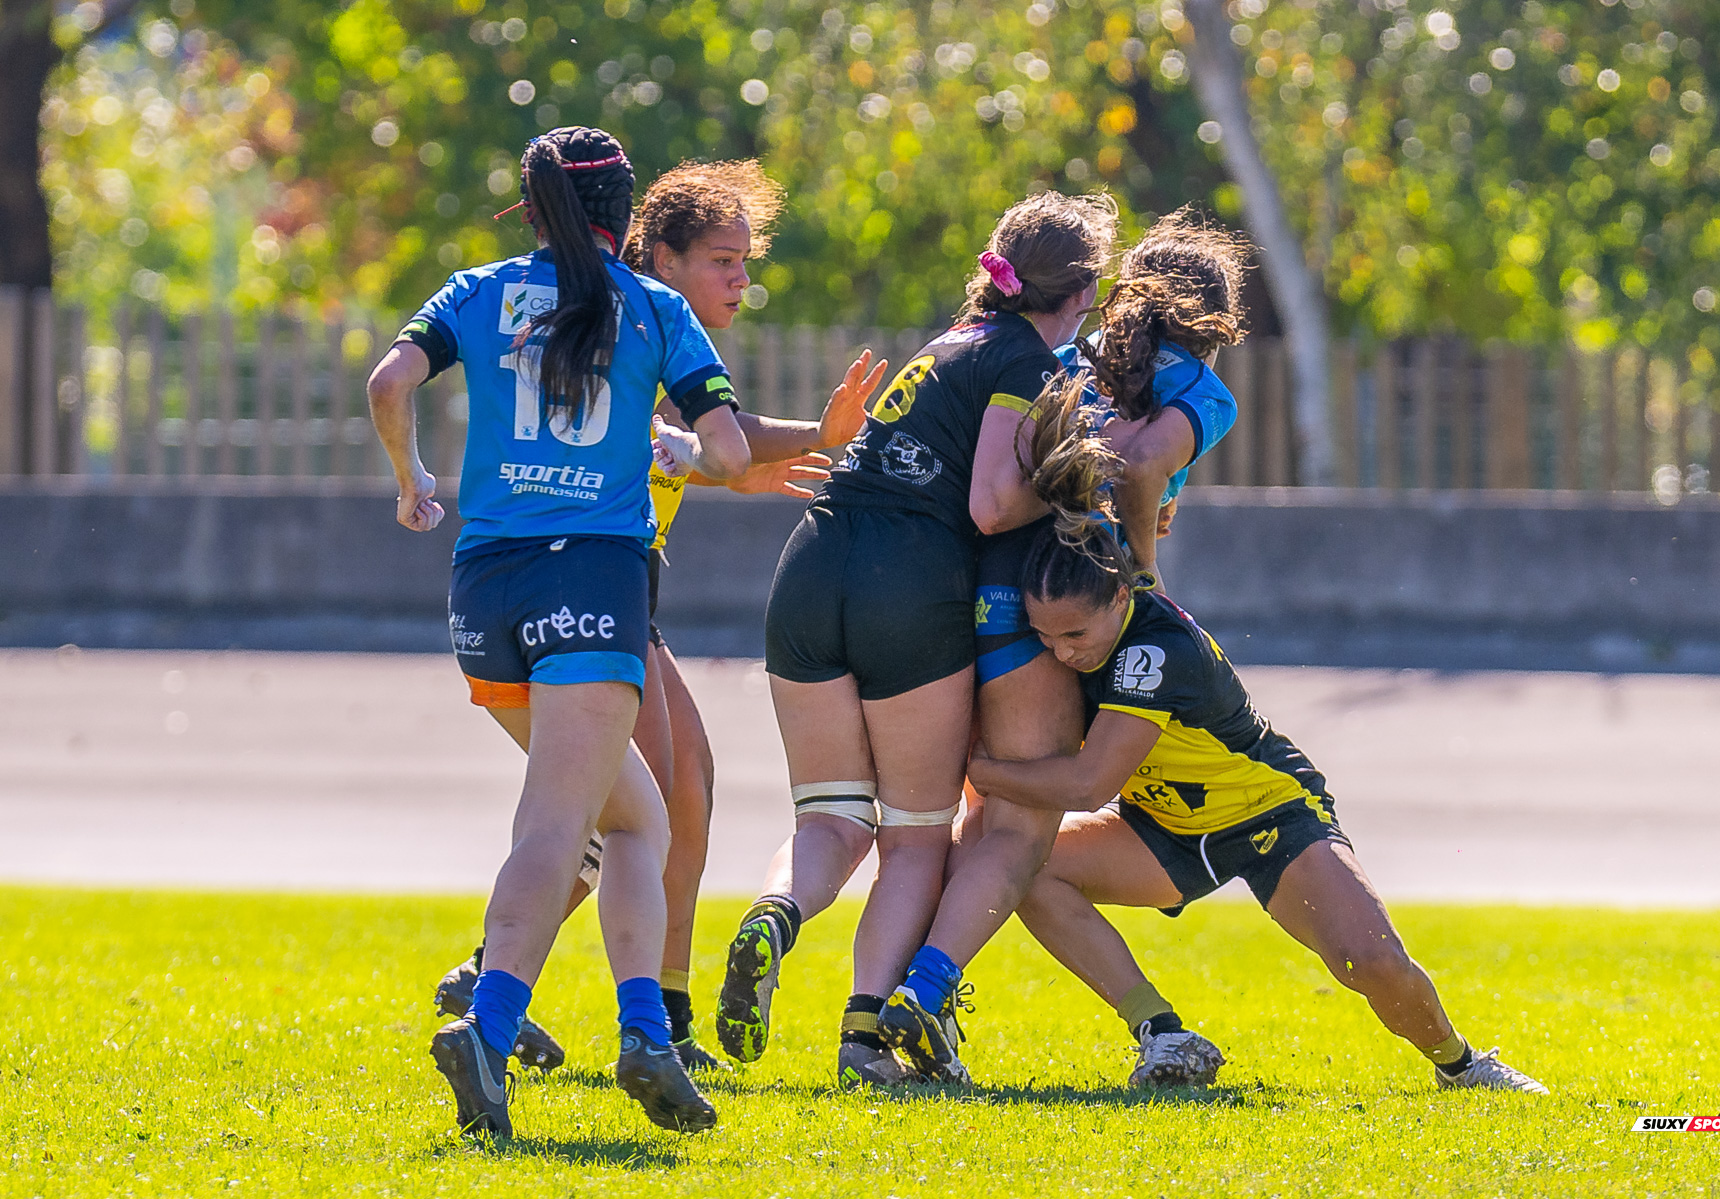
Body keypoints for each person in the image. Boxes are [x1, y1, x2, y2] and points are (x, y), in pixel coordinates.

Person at [428, 159, 885, 1075]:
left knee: (668, 792)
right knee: (632, 807)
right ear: (663, 258)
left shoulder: (647, 328)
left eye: (745, 263)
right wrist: (805, 439)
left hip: (615, 591)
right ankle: (595, 1008)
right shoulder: (638, 321)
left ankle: (551, 991)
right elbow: (712, 441)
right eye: (723, 261)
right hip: (591, 592)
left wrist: (753, 462)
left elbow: (705, 449)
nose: (740, 282)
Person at [367, 126, 751, 1137]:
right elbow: (729, 450)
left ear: (531, 211)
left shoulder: (475, 291)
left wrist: (411, 480)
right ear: (625, 215)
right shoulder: (656, 307)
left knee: (635, 819)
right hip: (591, 579)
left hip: (483, 593)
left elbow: (388, 383)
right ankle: (490, 1026)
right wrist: (680, 450)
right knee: (558, 824)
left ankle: (645, 1033)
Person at [715, 192, 1119, 1089]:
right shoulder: (1025, 358)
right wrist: (1073, 482)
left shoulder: (948, 343)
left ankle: (777, 912)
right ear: (1080, 291)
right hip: (906, 580)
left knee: (830, 816)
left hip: (810, 566)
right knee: (914, 838)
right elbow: (989, 504)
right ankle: (864, 1038)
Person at [964, 511, 1550, 1095]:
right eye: (1045, 637)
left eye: (1074, 635)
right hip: (1165, 827)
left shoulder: (1155, 650)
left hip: (1269, 815)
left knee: (1371, 964)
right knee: (1023, 865)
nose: (1061, 653)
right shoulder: (1082, 643)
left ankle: (1462, 1065)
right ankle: (1161, 1032)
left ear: (1120, 597)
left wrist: (984, 772)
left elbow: (1089, 785)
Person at [876, 213, 1248, 1083]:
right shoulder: (1199, 387)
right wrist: (1140, 572)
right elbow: (1141, 461)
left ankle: (912, 1000)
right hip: (1058, 606)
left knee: (986, 823)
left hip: (983, 590)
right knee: (1025, 828)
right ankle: (924, 992)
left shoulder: (1073, 358)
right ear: (1216, 322)